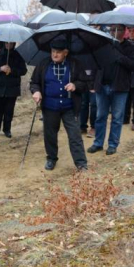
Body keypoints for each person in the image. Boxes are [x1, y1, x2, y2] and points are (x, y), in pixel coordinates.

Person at [30, 39, 89, 171]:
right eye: (53, 51)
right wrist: (37, 91)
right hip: (50, 107)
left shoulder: (74, 64)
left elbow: (84, 83)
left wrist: (75, 85)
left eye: (58, 52)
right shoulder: (44, 64)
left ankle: (81, 163)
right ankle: (51, 158)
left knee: (75, 136)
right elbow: (34, 82)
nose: (55, 55)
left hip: (70, 107)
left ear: (66, 52)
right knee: (50, 134)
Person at [87, 25, 134, 155]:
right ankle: (98, 143)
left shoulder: (130, 47)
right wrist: (92, 83)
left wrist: (118, 54)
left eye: (118, 29)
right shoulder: (104, 44)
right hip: (102, 85)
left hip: (120, 87)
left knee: (117, 117)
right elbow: (94, 63)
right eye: (112, 29)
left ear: (124, 31)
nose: (114, 32)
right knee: (100, 116)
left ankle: (112, 144)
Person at [0, 42, 27, 138]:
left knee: (9, 110)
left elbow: (23, 71)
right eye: (6, 42)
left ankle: (7, 129)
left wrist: (12, 70)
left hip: (12, 88)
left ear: (14, 43)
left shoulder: (18, 55)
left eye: (10, 43)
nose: (8, 44)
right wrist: (0, 69)